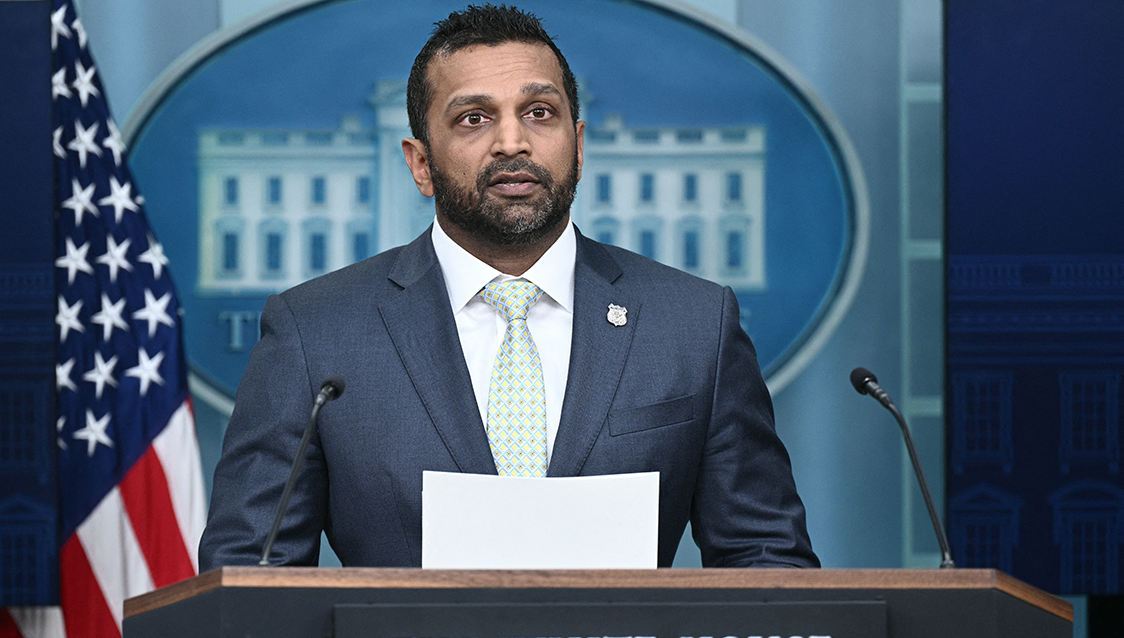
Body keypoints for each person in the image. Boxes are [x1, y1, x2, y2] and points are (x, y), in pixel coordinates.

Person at [199, 4, 818, 569]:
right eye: (474, 118)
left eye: (539, 113)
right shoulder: (315, 332)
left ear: (578, 146)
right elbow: (252, 576)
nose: (512, 142)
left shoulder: (694, 324)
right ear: (420, 163)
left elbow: (766, 561)